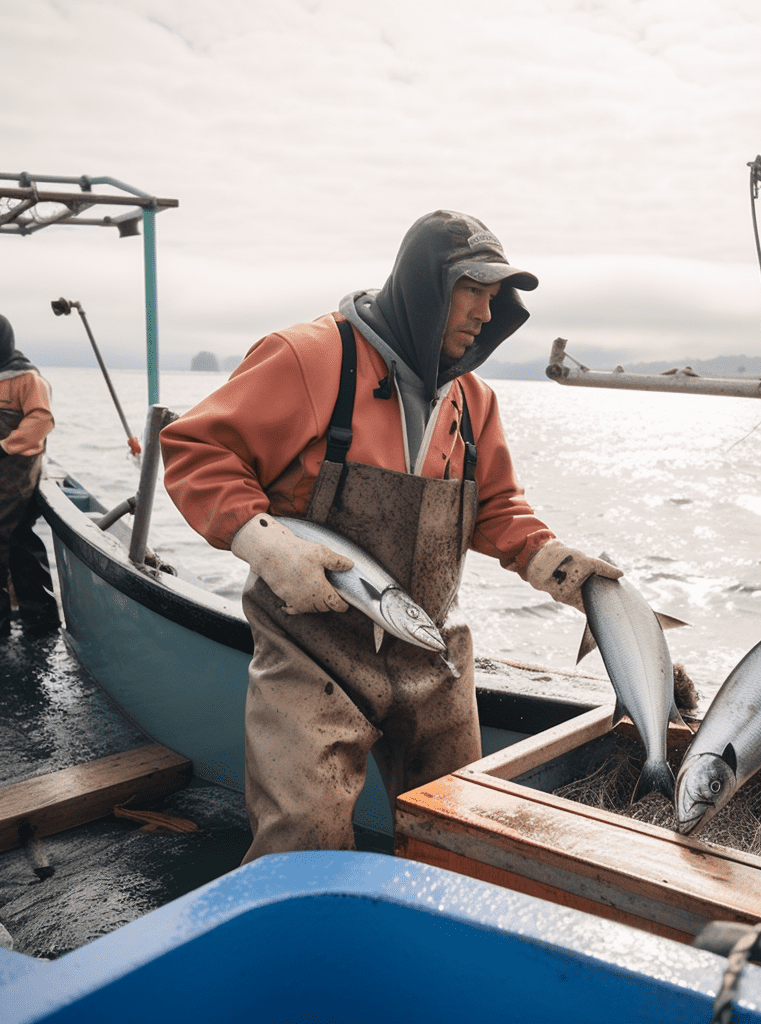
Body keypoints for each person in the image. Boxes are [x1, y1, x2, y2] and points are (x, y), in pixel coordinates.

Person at [161, 210, 621, 861]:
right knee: (303, 841)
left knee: (460, 837)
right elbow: (197, 450)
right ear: (423, 286)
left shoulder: (475, 401)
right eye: (473, 291)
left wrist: (549, 559)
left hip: (431, 654)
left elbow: (496, 506)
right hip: (309, 652)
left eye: (495, 298)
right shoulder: (310, 357)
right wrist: (265, 544)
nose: (486, 314)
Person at [0, 313, 61, 639]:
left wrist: (6, 445)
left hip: (16, 475)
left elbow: (41, 420)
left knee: (13, 541)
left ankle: (39, 623)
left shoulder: (28, 380)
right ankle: (34, 621)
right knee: (18, 543)